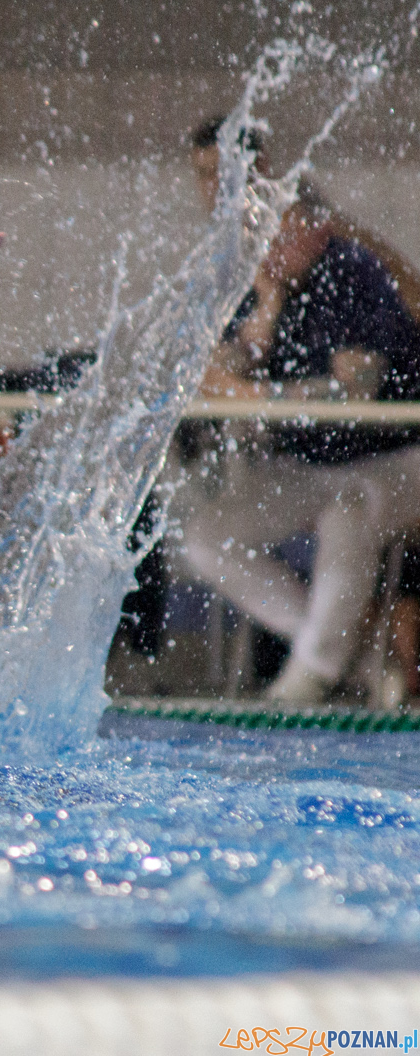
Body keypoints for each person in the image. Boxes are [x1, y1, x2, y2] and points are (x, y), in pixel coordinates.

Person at [179, 116, 420, 702]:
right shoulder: (254, 280)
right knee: (207, 537)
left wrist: (264, 393)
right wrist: (267, 306)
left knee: (349, 511)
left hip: (394, 455)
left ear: (314, 227)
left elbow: (355, 390)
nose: (271, 243)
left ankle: (307, 679)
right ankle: (347, 651)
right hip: (312, 464)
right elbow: (219, 368)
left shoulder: (354, 274)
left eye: (283, 229)